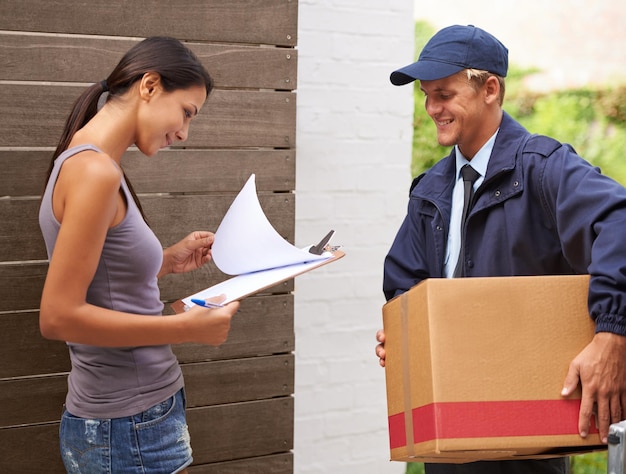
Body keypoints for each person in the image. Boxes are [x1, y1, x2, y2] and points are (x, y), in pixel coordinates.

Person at [375, 24, 626, 474]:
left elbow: (620, 222)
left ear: (489, 88)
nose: (433, 108)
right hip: (449, 442)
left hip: (527, 445)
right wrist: (401, 331)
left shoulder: (543, 169)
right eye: (427, 96)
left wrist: (612, 332)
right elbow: (403, 283)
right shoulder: (430, 191)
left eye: (445, 94)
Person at [38, 36, 240, 474]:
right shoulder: (95, 171)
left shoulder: (92, 162)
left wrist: (166, 260)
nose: (185, 132)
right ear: (149, 85)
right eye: (187, 112)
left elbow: (99, 277)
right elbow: (58, 316)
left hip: (131, 419)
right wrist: (184, 328)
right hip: (128, 425)